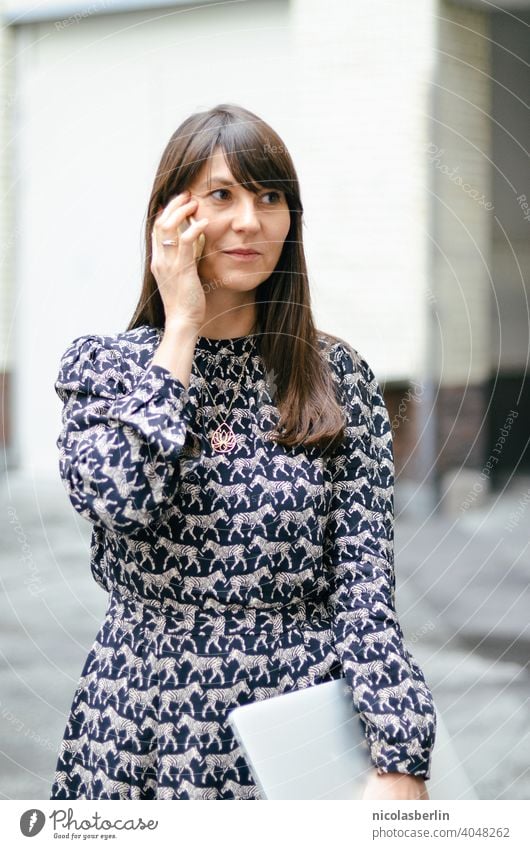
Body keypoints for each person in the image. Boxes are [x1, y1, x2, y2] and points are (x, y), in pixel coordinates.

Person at [50, 102, 436, 801]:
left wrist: (400, 752)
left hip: (302, 722)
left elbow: (365, 584)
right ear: (172, 218)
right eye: (221, 195)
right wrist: (182, 329)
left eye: (269, 196)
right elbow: (121, 502)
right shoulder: (105, 368)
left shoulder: (336, 376)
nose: (250, 221)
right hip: (147, 721)